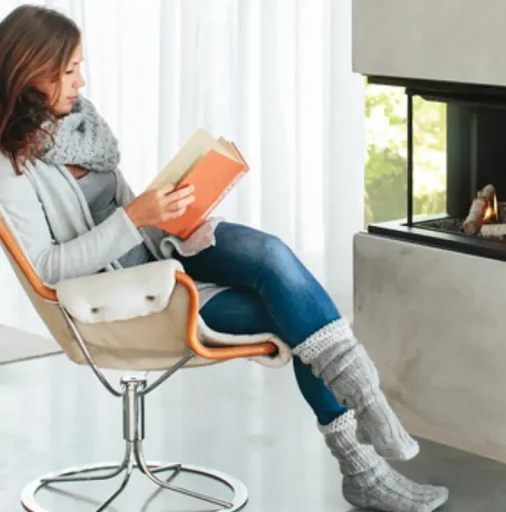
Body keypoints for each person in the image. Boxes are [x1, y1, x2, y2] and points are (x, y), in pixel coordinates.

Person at [0, 5, 449, 512]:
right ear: (30, 71)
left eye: (81, 65)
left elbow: (124, 208)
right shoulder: (9, 162)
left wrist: (171, 205)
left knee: (271, 255)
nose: (83, 80)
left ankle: (369, 401)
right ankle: (363, 469)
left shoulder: (81, 124)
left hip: (158, 248)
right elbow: (48, 268)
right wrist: (136, 217)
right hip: (129, 296)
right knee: (290, 317)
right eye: (69, 70)